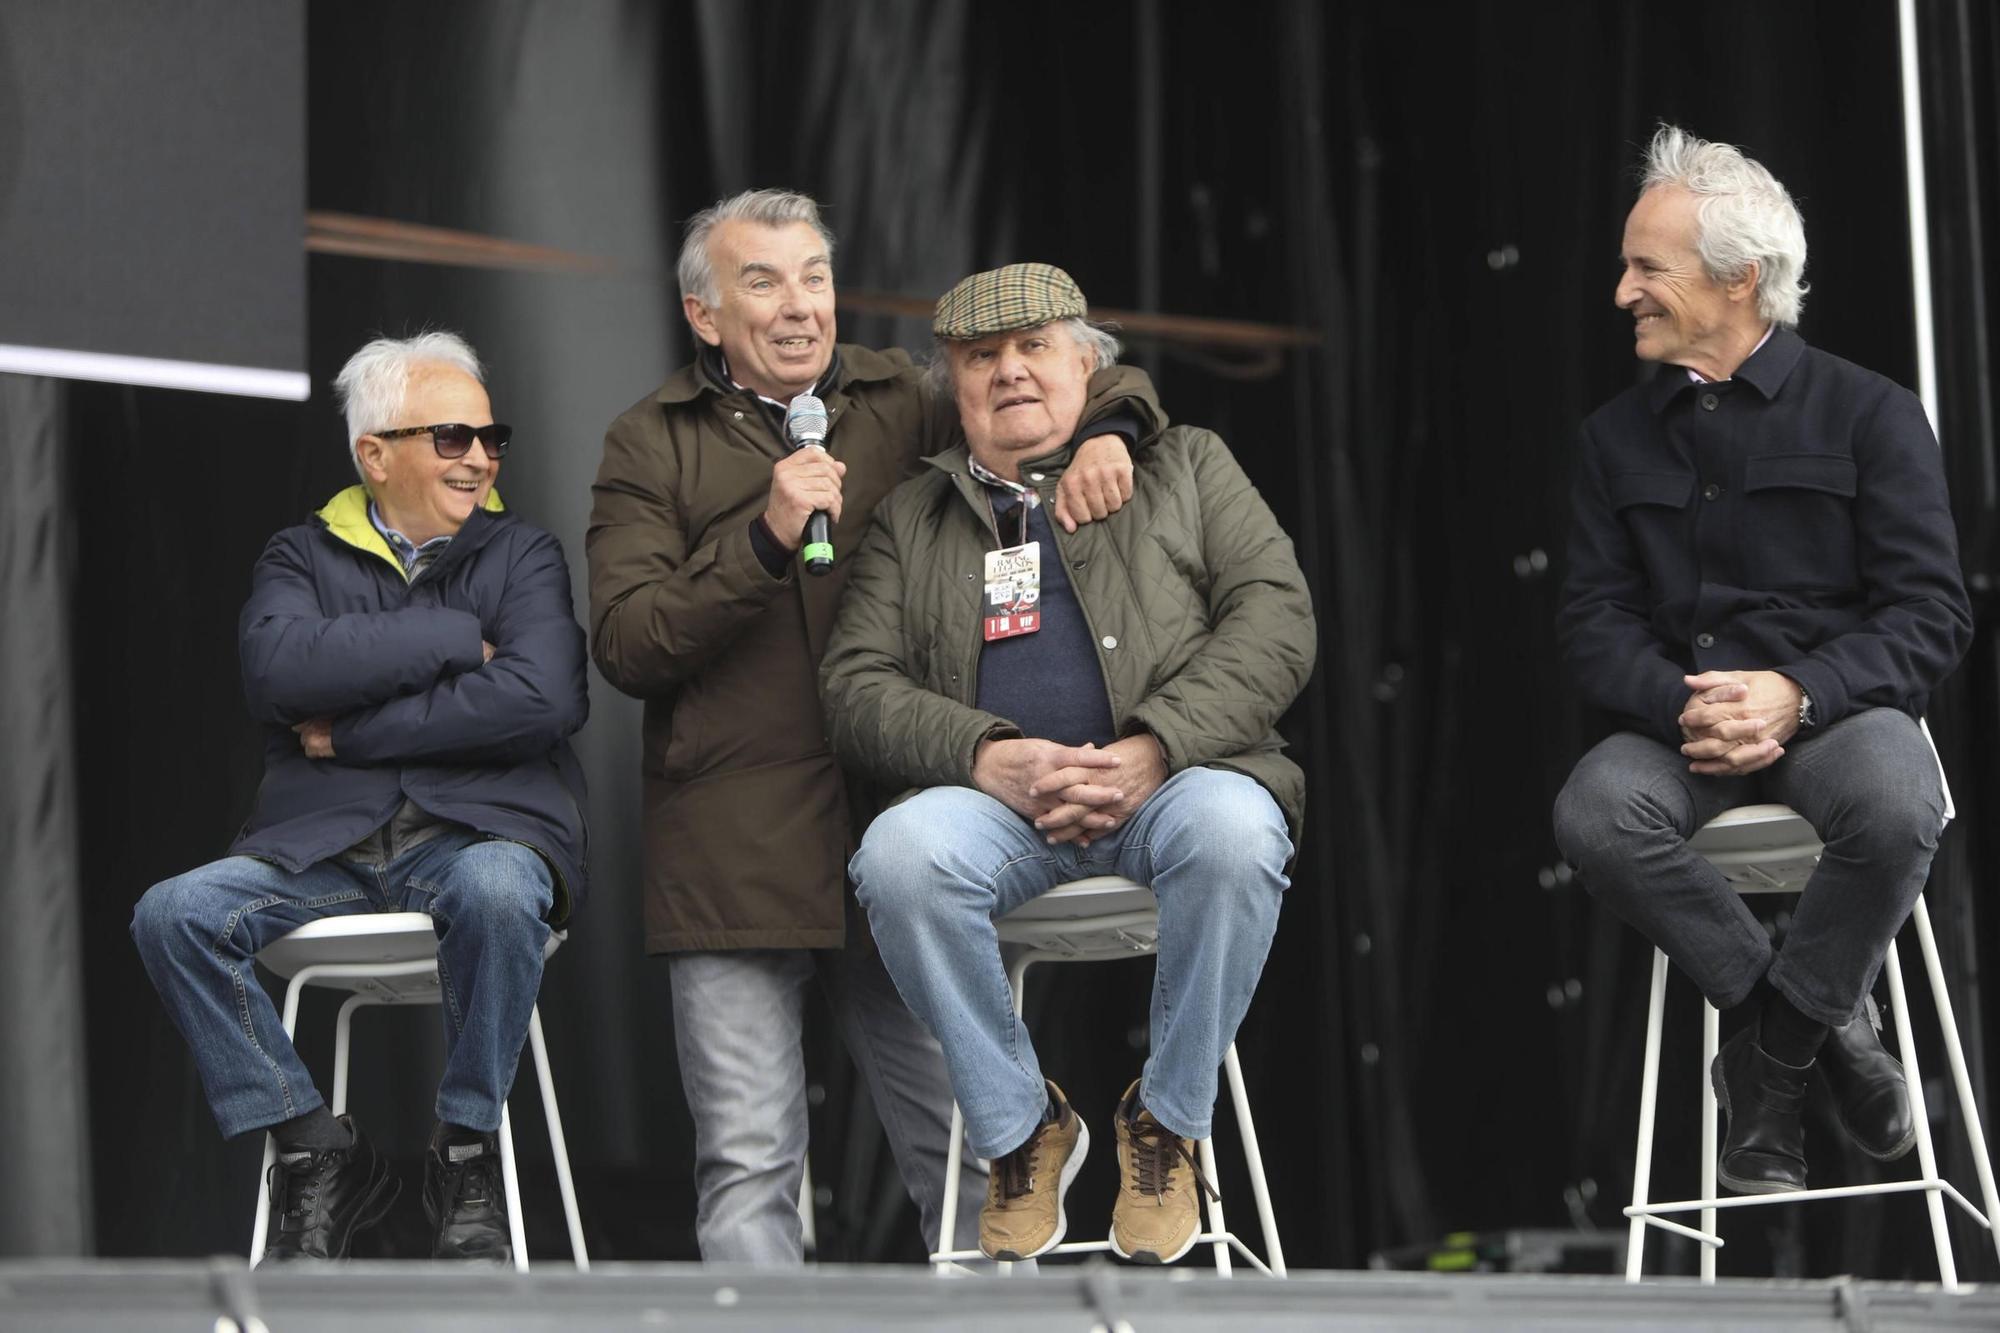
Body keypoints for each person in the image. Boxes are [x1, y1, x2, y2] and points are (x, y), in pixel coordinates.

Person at [587, 191, 1160, 1264]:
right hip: (734, 849)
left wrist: (1115, 426)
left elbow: (1056, 382)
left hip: (894, 825)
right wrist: (762, 535)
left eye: (813, 276)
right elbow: (625, 643)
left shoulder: (902, 393)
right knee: (750, 1159)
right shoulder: (646, 442)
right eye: (761, 281)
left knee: (976, 1148)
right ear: (704, 316)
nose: (799, 305)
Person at [820, 262, 1315, 1264]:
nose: (1008, 372)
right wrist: (981, 755)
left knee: (1234, 831)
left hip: (1171, 785)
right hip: (998, 808)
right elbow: (853, 683)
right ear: (949, 386)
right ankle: (1018, 1129)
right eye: (979, 357)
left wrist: (1157, 743)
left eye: (1032, 347)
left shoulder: (1187, 465)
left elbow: (1277, 620)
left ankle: (1168, 1123)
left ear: (1086, 363)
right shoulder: (909, 518)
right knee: (898, 858)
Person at [1553, 127, 1973, 1195]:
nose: (1620, 292)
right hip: (1680, 729)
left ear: (1739, 280)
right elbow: (1590, 622)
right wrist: (1682, 702)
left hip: (1834, 714)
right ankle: (1823, 1036)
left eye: (1646, 268)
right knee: (1594, 814)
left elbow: (1930, 614)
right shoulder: (1611, 438)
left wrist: (1795, 693)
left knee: (1893, 801)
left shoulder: (1870, 412)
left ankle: (1769, 1064)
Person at [130, 332, 590, 1262]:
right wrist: (460, 636)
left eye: (491, 437)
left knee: (501, 890)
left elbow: (544, 698)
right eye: (453, 438)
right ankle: (316, 1146)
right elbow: (278, 671)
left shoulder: (526, 553)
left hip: (477, 837)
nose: (482, 457)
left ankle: (465, 1151)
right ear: (373, 454)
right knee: (172, 913)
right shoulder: (299, 554)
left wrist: (353, 729)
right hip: (326, 850)